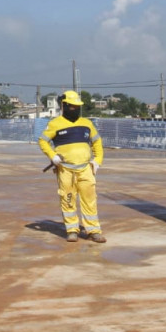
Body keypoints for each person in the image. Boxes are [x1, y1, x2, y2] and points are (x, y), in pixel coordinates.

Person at [37, 90, 106, 243]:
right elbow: (42, 141)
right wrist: (52, 156)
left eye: (77, 106)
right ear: (65, 105)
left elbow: (97, 142)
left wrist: (97, 161)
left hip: (86, 169)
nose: (75, 109)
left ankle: (93, 230)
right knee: (68, 199)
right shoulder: (55, 124)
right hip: (65, 169)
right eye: (73, 106)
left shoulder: (87, 124)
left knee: (90, 200)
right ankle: (72, 230)